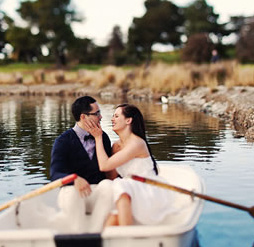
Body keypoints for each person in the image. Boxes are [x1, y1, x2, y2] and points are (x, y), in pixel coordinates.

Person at [83, 103, 178, 226]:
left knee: (121, 186)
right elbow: (111, 177)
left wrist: (98, 138)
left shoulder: (137, 143)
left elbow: (104, 165)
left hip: (146, 187)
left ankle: (127, 235)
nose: (112, 119)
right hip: (130, 188)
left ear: (128, 120)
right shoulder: (116, 146)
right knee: (112, 218)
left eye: (116, 116)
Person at [50, 96, 117, 232]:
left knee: (108, 186)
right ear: (83, 117)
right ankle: (78, 235)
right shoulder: (63, 141)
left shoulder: (103, 137)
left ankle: (95, 233)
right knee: (71, 193)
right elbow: (55, 174)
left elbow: (108, 169)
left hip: (97, 194)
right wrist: (74, 179)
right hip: (73, 194)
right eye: (97, 113)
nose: (101, 117)